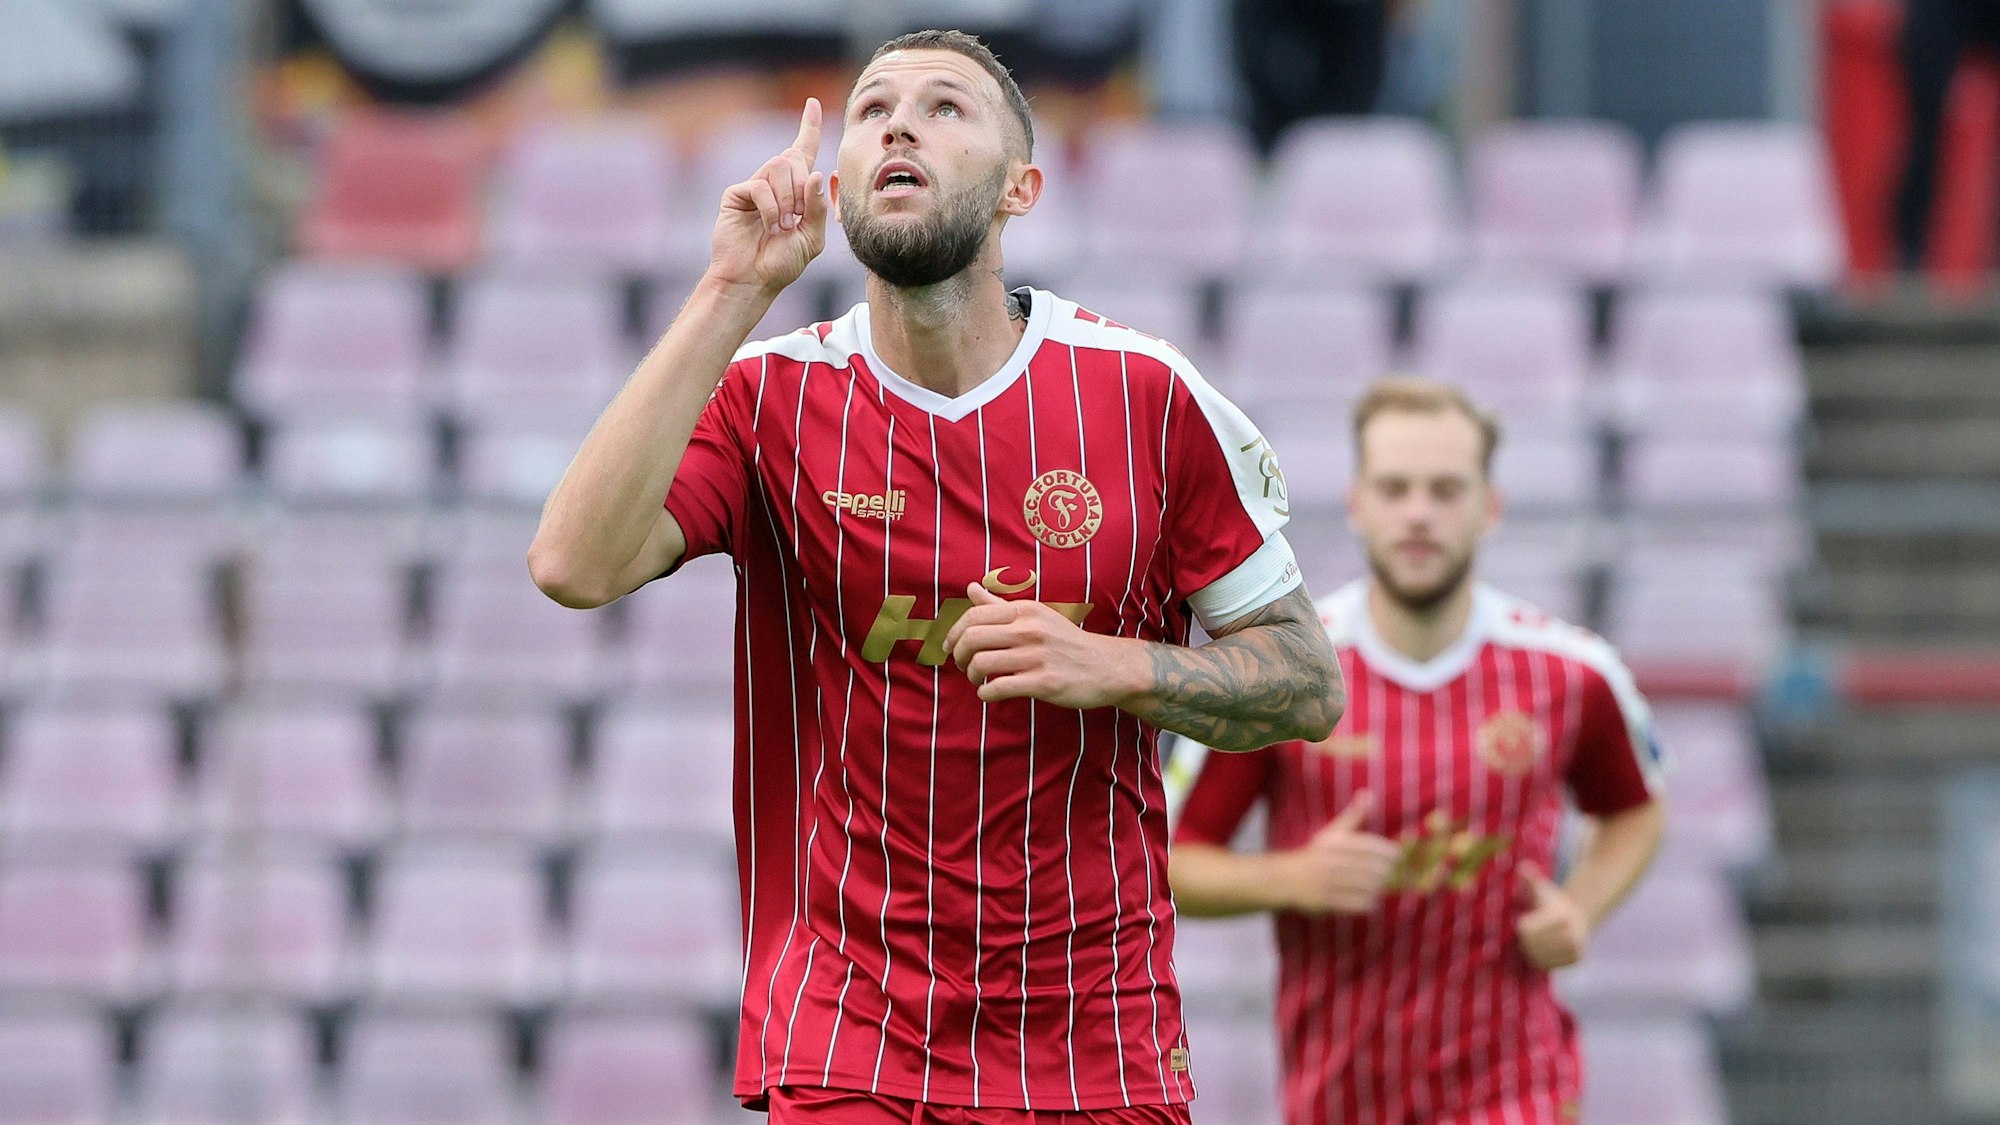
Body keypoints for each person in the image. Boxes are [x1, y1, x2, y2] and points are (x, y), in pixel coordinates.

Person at [527, 28, 1344, 1125]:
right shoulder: (768, 394)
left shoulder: (1146, 396)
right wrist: (732, 287)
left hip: (1094, 1042)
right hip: (846, 1036)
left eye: (945, 107)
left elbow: (1305, 682)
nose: (898, 124)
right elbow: (570, 567)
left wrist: (1119, 667)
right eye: (872, 111)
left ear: (1021, 189)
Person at [1167, 378, 1667, 1125]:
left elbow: (1634, 811)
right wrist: (1294, 876)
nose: (1419, 513)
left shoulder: (1572, 673)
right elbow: (1173, 861)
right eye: (1396, 488)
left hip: (1516, 1089)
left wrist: (1580, 909)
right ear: (1357, 503)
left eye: (1445, 489)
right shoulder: (1285, 674)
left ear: (1489, 506)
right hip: (1337, 1092)